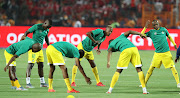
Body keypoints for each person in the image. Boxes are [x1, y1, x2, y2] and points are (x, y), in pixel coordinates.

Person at [140, 20, 180, 88]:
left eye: (157, 24)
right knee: (151, 68)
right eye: (155, 25)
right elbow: (141, 35)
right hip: (157, 54)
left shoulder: (163, 30)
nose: (156, 25)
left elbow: (169, 37)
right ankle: (144, 83)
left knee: (172, 67)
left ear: (159, 24)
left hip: (166, 52)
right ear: (153, 26)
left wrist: (174, 44)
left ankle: (178, 83)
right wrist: (145, 27)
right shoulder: (151, 32)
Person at [20, 19, 52, 88]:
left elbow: (46, 37)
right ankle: (28, 83)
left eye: (49, 27)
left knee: (41, 65)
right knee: (30, 65)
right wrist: (24, 42)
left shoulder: (47, 29)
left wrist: (49, 45)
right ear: (45, 23)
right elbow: (26, 32)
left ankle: (42, 82)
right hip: (33, 49)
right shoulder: (36, 27)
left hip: (40, 50)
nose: (47, 28)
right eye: (47, 27)